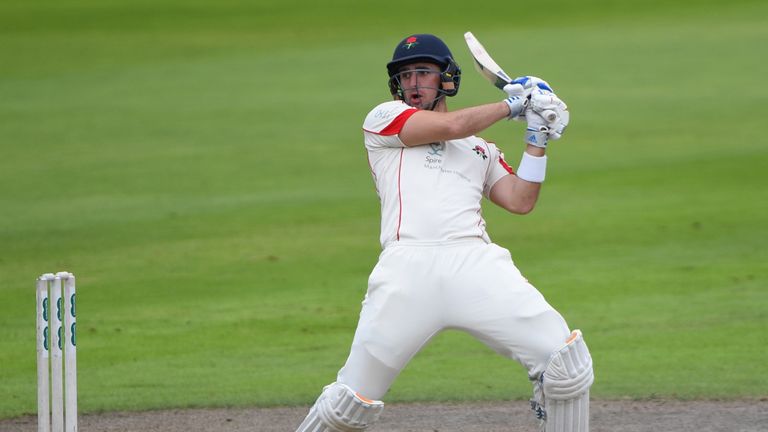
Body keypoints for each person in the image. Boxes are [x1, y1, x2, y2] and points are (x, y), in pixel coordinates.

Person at [295, 33, 593, 432]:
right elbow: (451, 124)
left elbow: (521, 200)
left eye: (424, 72)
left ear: (446, 78)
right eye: (406, 75)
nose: (414, 83)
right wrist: (514, 105)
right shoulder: (384, 120)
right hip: (407, 271)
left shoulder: (481, 150)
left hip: (475, 265)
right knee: (349, 404)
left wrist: (537, 136)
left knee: (566, 366)